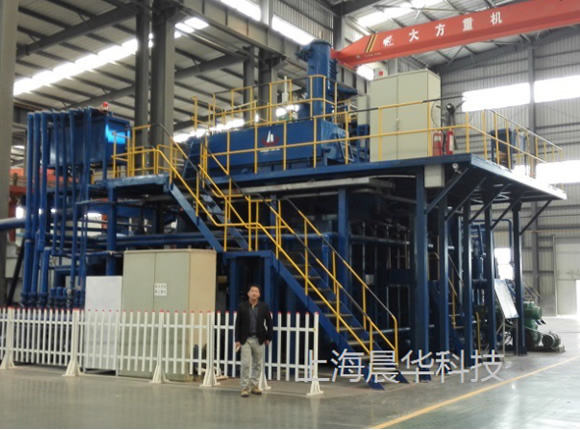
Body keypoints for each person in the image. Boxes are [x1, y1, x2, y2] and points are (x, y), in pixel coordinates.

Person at [235, 285, 273, 397]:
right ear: (248, 293)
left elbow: (269, 323)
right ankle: (244, 387)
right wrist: (237, 340)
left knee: (257, 363)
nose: (254, 293)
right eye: (252, 291)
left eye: (256, 291)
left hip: (259, 339)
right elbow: (238, 324)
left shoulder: (264, 307)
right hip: (245, 339)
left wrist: (269, 337)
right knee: (245, 363)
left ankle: (255, 386)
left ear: (259, 294)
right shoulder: (242, 306)